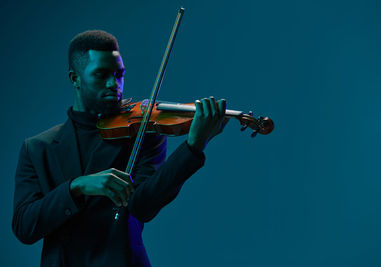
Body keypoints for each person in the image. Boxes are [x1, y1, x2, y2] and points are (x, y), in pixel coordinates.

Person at [12, 30, 227, 267]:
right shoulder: (38, 148)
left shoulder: (143, 132)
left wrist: (194, 146)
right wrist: (77, 187)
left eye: (119, 74)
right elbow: (25, 226)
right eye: (101, 75)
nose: (113, 84)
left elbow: (144, 206)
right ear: (75, 78)